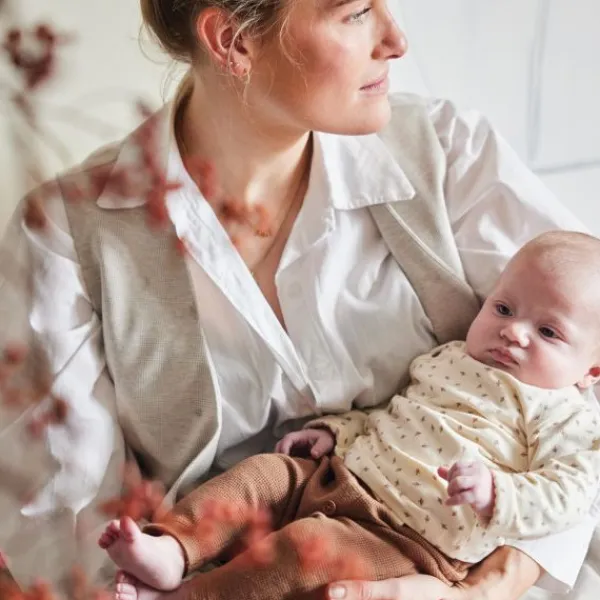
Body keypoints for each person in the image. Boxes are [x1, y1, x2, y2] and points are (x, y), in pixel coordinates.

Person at [0, 0, 598, 599]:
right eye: (356, 12)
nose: (396, 40)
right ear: (232, 39)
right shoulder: (63, 233)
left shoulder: (447, 151)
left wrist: (479, 592)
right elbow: (66, 523)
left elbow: (586, 396)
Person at [98, 231, 600, 600]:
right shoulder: (451, 358)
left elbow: (572, 492)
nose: (514, 333)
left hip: (405, 542)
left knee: (306, 548)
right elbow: (394, 414)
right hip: (336, 475)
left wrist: (498, 494)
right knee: (261, 476)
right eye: (504, 309)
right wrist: (335, 432)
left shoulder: (562, 415)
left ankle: (191, 595)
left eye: (548, 332)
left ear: (591, 371)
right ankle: (174, 547)